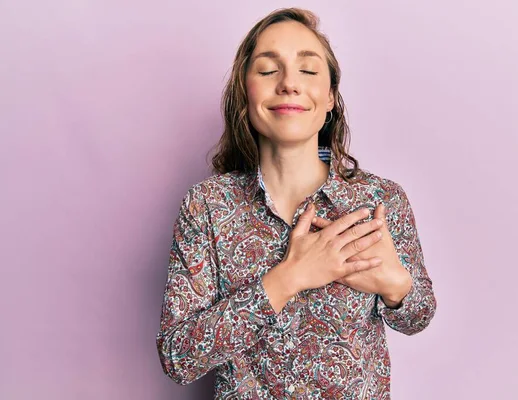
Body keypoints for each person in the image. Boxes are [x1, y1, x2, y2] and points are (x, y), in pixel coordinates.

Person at [156, 7, 436, 399]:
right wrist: (289, 277)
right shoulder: (206, 206)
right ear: (245, 93)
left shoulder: (379, 200)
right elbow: (178, 357)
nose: (289, 84)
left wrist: (396, 285)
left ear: (330, 98)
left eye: (308, 71)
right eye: (269, 71)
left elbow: (418, 315)